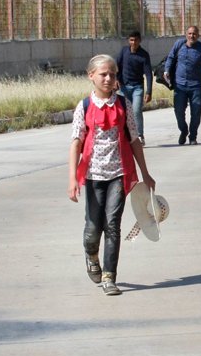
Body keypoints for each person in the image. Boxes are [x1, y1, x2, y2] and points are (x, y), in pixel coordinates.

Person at [67, 54, 156, 296]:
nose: (108, 78)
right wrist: (73, 178)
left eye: (112, 74)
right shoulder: (84, 106)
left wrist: (146, 174)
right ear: (91, 76)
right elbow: (76, 144)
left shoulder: (123, 104)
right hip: (93, 175)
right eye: (103, 74)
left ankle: (109, 277)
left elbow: (134, 140)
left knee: (113, 225)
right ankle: (91, 255)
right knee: (93, 228)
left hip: (119, 173)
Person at [164, 25, 201, 145]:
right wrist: (166, 70)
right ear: (186, 34)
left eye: (194, 34)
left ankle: (193, 136)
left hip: (196, 86)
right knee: (178, 111)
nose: (192, 36)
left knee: (196, 112)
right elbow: (171, 57)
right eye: (190, 33)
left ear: (198, 36)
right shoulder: (179, 44)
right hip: (180, 85)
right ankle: (183, 130)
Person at [116, 30, 152, 146]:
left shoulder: (144, 55)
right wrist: (116, 80)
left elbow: (148, 74)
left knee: (136, 110)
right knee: (122, 112)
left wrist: (149, 91)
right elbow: (117, 66)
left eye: (136, 40)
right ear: (128, 41)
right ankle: (123, 136)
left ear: (140, 40)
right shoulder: (123, 52)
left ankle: (140, 135)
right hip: (123, 87)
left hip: (137, 87)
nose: (134, 42)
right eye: (131, 40)